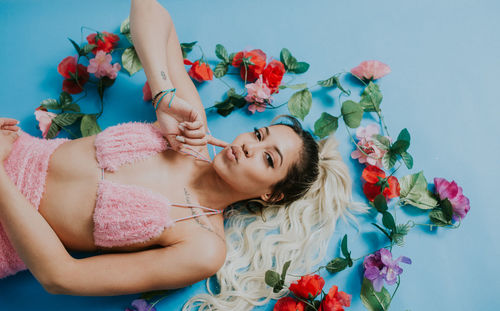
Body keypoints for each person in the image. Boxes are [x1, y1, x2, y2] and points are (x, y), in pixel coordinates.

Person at [0, 0, 364, 309]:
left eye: (268, 159)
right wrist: (163, 96)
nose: (249, 146)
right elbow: (148, 9)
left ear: (271, 193)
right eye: (258, 134)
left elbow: (60, 276)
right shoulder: (191, 133)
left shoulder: (204, 247)